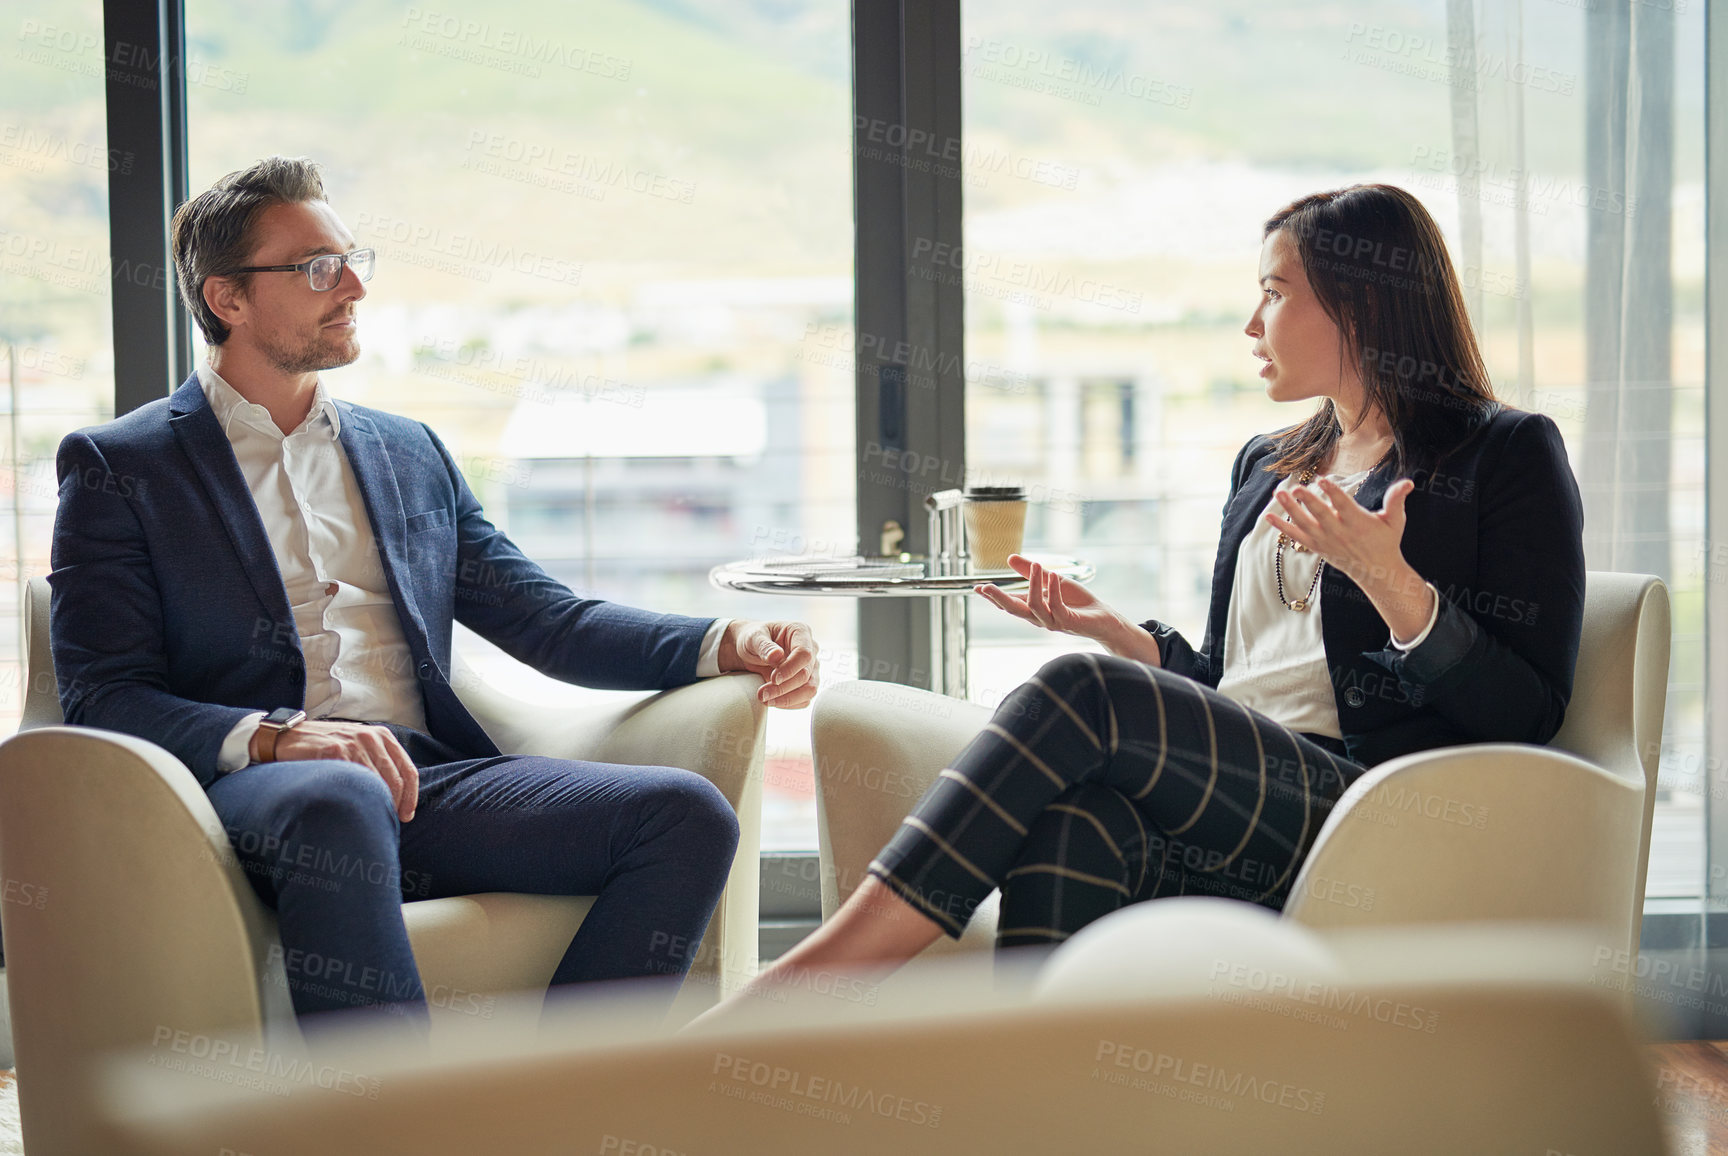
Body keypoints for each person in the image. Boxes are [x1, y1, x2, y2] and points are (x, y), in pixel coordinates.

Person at [698, 182, 1585, 1016]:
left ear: (1363, 304)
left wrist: (1393, 585)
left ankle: (813, 983)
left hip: (1371, 812)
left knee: (1080, 689)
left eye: (1275, 293)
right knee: (1078, 822)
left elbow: (1529, 710)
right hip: (1244, 796)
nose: (1252, 321)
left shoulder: (1504, 455)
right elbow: (1237, 685)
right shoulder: (1269, 461)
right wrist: (1124, 637)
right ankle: (1041, 1105)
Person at [48, 155, 820, 1032]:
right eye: (315, 269)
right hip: (272, 797)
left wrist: (726, 641)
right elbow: (104, 696)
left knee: (685, 815)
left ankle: (571, 1103)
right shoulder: (122, 465)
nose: (352, 288)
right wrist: (275, 740)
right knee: (339, 795)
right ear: (227, 300)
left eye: (351, 259)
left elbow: (546, 619)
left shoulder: (407, 450)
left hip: (430, 781)